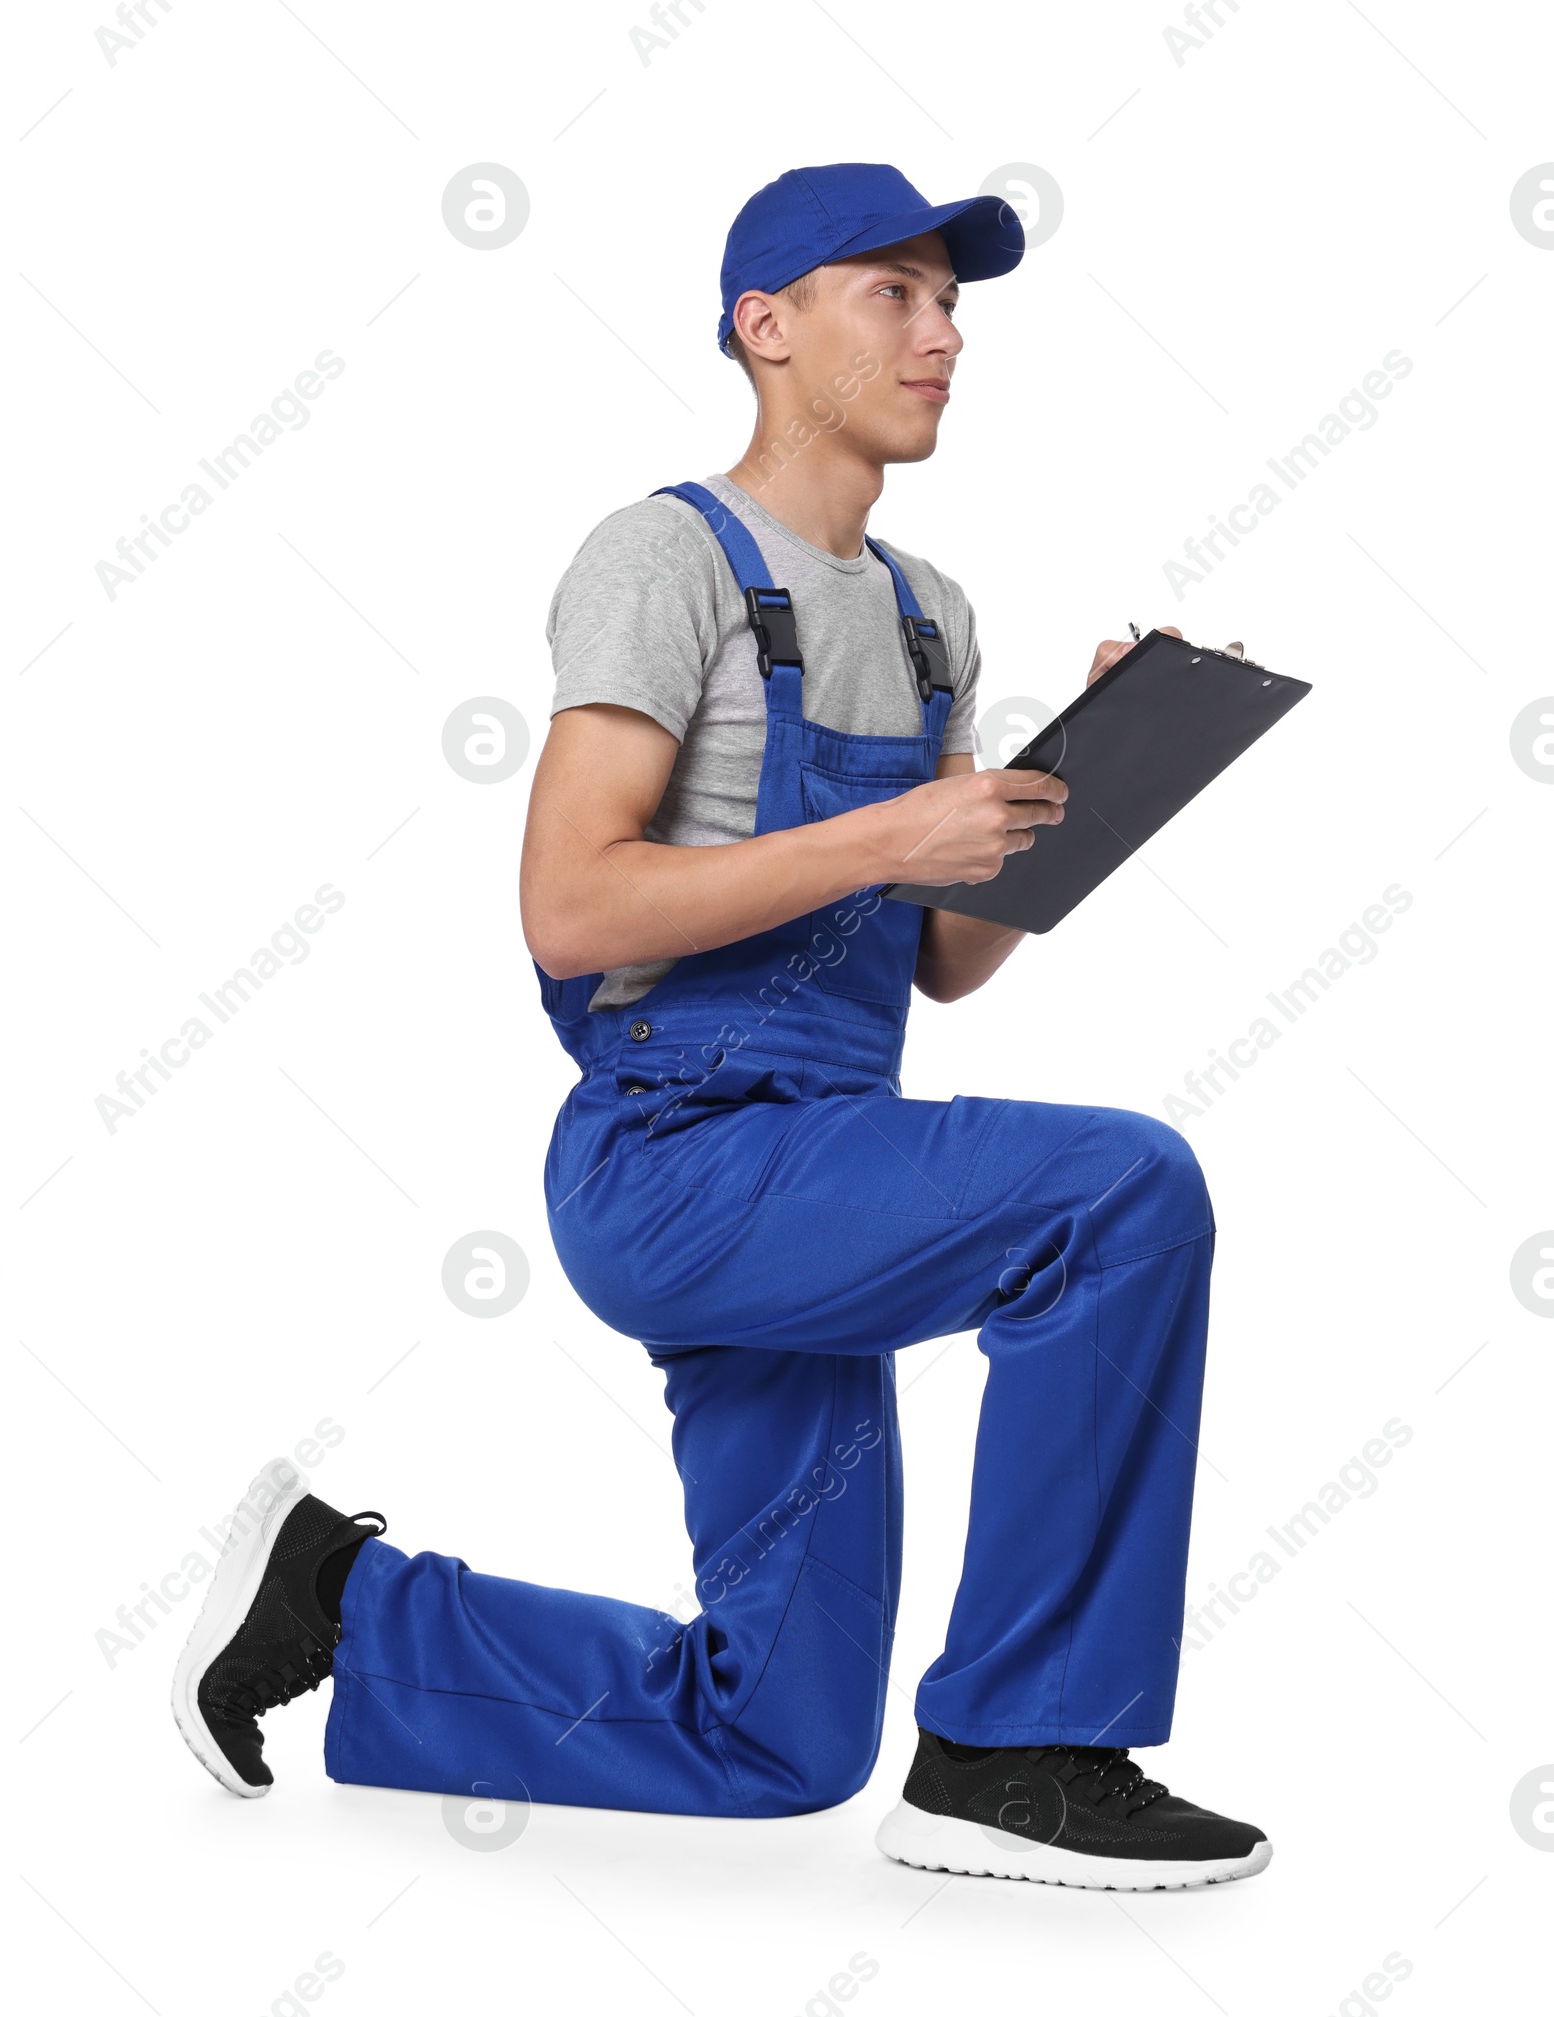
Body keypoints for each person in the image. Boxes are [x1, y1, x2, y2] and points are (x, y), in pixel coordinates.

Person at [172, 162, 1271, 1892]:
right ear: (764, 329)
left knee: (784, 1737)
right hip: (679, 1152)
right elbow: (570, 905)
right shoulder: (662, 557)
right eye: (892, 295)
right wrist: (889, 834)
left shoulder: (931, 620)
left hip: (825, 1153)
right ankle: (1023, 1742)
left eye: (955, 302)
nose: (944, 334)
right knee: (1121, 1192)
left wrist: (1089, 782)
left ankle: (342, 1602)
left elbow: (943, 965)